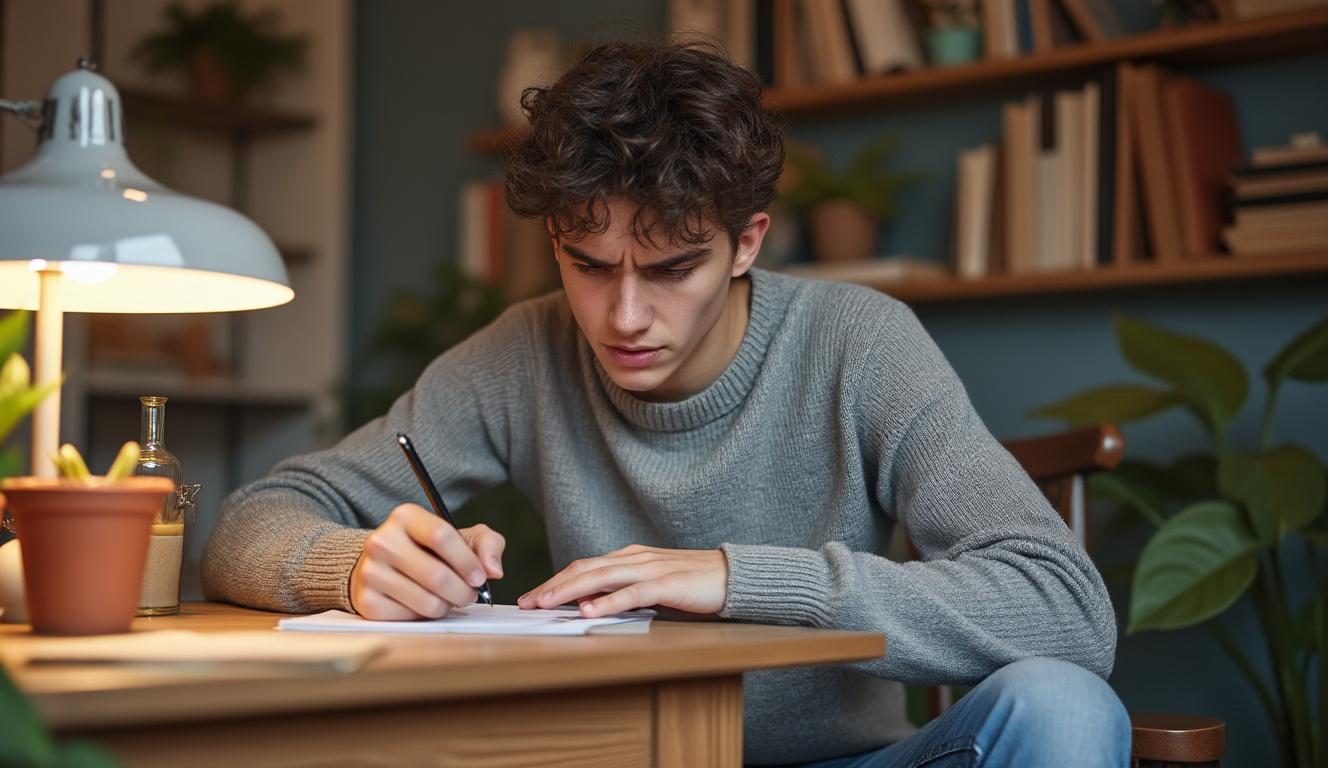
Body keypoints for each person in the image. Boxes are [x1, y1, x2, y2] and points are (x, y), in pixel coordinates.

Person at [202, 40, 1128, 767]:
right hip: (613, 758)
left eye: (674, 268)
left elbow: (1065, 610)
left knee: (1063, 704)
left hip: (846, 762)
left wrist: (736, 580)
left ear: (746, 242)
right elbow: (248, 526)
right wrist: (351, 564)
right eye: (589, 267)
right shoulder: (524, 353)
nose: (625, 316)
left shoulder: (860, 343)